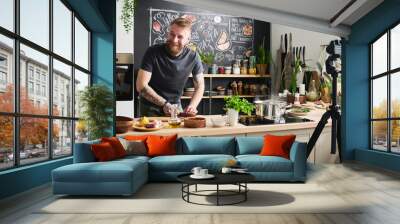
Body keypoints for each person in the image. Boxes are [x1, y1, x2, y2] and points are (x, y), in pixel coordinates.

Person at [136, 17, 205, 116]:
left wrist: (192, 106)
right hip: (150, 107)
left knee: (178, 131)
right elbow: (141, 86)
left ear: (188, 40)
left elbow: (200, 85)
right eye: (172, 34)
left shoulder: (193, 57)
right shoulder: (152, 52)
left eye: (180, 37)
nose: (174, 40)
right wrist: (165, 104)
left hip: (175, 107)